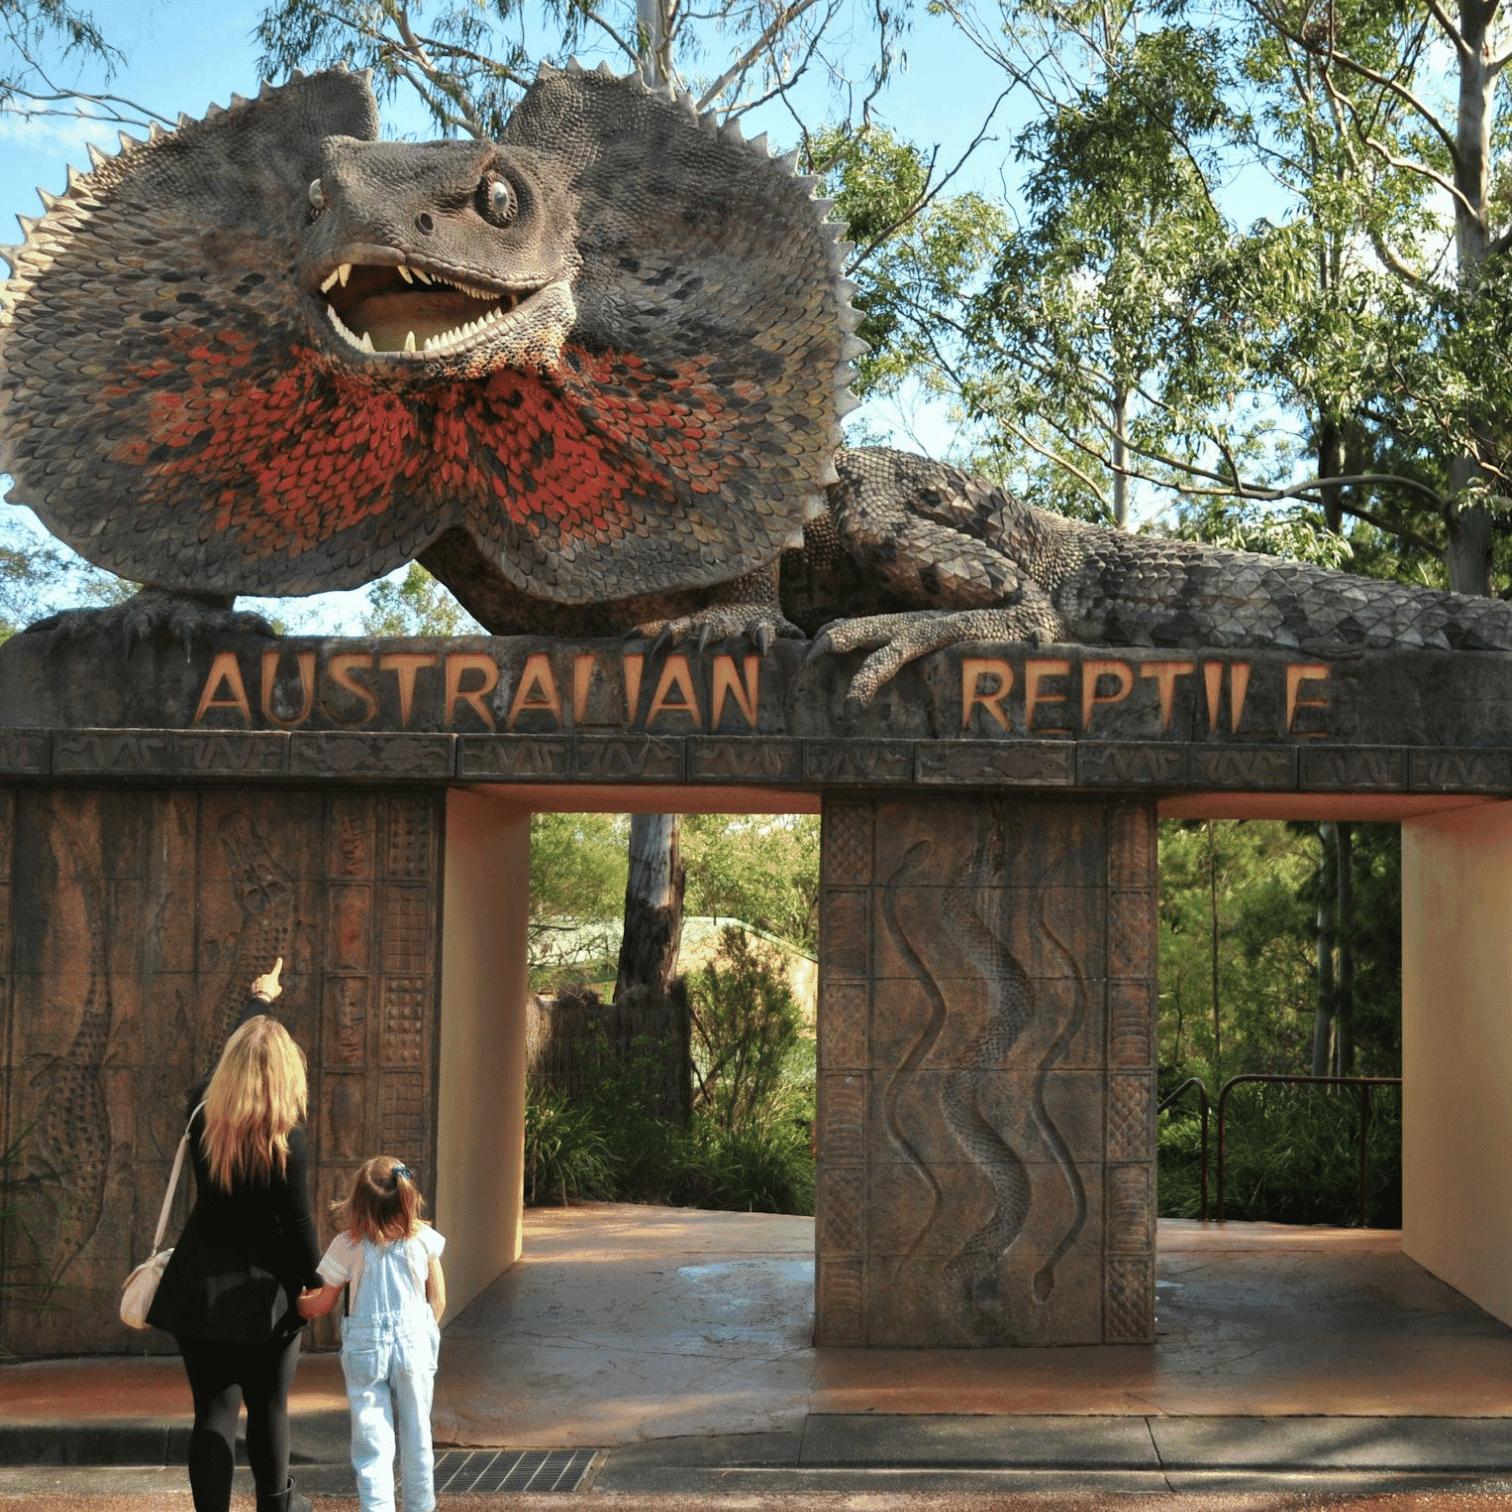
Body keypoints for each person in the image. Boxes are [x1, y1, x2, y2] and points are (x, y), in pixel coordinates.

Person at [147, 958, 322, 1512]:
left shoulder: (203, 1110)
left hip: (199, 1285)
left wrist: (260, 1000)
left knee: (212, 1412)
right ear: (286, 1071)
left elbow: (232, 1055)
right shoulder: (285, 1137)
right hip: (266, 1295)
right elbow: (296, 1224)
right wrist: (316, 1285)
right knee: (270, 1409)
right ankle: (277, 1507)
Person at [298, 1157, 447, 1512]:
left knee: (372, 1447)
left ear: (358, 1202)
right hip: (415, 1344)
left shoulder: (346, 1245)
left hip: (367, 1350)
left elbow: (321, 1304)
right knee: (418, 1440)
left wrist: (297, 1301)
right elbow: (438, 1298)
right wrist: (422, 1337)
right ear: (408, 1198)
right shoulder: (423, 1239)